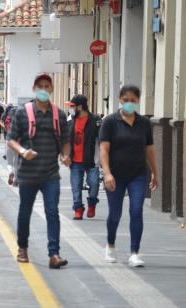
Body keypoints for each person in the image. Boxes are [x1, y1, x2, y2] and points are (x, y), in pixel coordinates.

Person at [6, 73, 70, 269]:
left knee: (52, 212)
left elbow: (65, 141)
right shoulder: (22, 112)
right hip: (27, 174)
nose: (44, 89)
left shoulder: (58, 114)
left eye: (47, 86)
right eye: (40, 86)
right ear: (34, 88)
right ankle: (22, 248)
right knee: (25, 212)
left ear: (51, 89)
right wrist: (23, 152)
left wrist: (65, 155)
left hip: (50, 173)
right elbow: (11, 139)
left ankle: (54, 254)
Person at [100, 85, 158, 267]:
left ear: (138, 101)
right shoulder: (110, 121)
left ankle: (134, 252)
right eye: (126, 100)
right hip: (115, 175)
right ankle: (110, 245)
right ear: (119, 100)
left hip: (138, 174)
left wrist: (155, 173)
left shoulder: (144, 123)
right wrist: (107, 173)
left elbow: (149, 150)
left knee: (136, 210)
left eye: (133, 100)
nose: (129, 104)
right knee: (115, 214)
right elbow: (104, 149)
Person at [67, 95, 102, 220]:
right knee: (76, 186)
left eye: (72, 106)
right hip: (75, 161)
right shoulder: (70, 120)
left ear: (80, 107)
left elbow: (102, 141)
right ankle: (78, 208)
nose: (70, 109)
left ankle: (92, 203)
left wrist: (102, 159)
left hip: (91, 160)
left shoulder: (95, 121)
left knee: (94, 184)